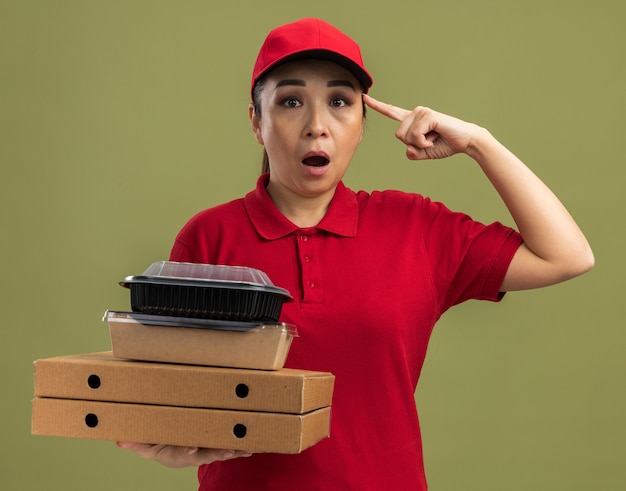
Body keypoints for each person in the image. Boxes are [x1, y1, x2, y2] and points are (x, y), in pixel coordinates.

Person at [117, 17, 594, 490]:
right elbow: (167, 401)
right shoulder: (208, 238)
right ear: (256, 123)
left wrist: (479, 143)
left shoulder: (415, 228)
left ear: (362, 126)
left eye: (340, 102)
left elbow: (567, 256)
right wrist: (169, 444)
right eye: (290, 102)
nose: (317, 126)